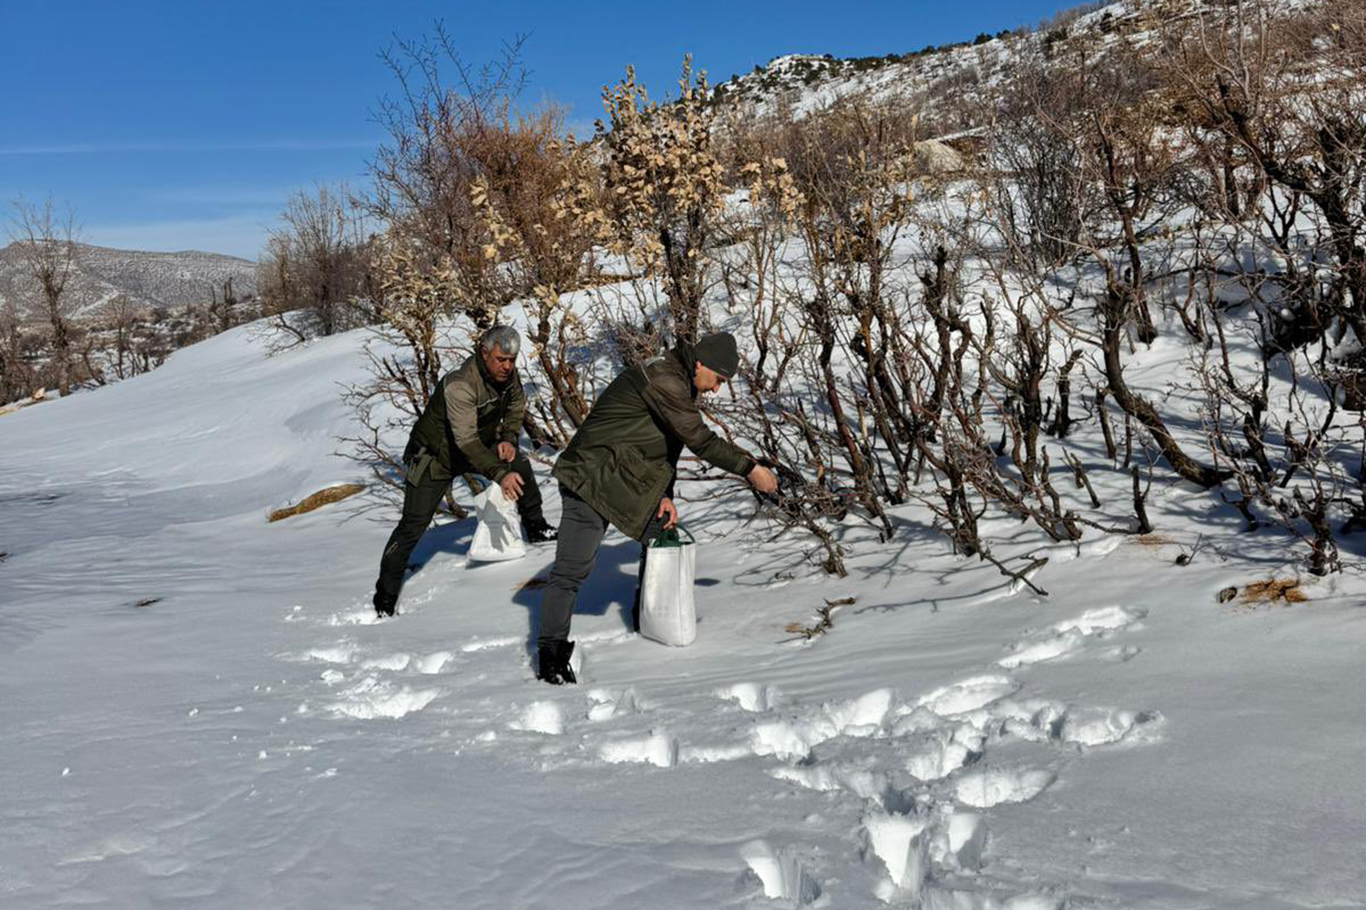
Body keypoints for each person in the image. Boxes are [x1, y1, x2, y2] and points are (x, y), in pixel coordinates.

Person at [535, 331, 778, 684]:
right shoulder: (665, 379)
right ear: (700, 363)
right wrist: (750, 469)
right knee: (572, 571)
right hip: (589, 476)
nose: (716, 389)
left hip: (621, 477)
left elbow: (667, 446)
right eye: (718, 379)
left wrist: (665, 494)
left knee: (660, 534)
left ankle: (650, 618)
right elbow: (699, 440)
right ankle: (551, 654)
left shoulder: (678, 379)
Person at [373, 326, 556, 618]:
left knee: (518, 463)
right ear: (484, 354)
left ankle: (536, 526)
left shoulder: (508, 376)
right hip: (435, 457)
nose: (507, 366)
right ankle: (385, 596)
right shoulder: (460, 384)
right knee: (413, 524)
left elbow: (516, 405)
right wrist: (498, 473)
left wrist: (508, 437)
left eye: (511, 359)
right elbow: (466, 442)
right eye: (500, 359)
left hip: (471, 446)